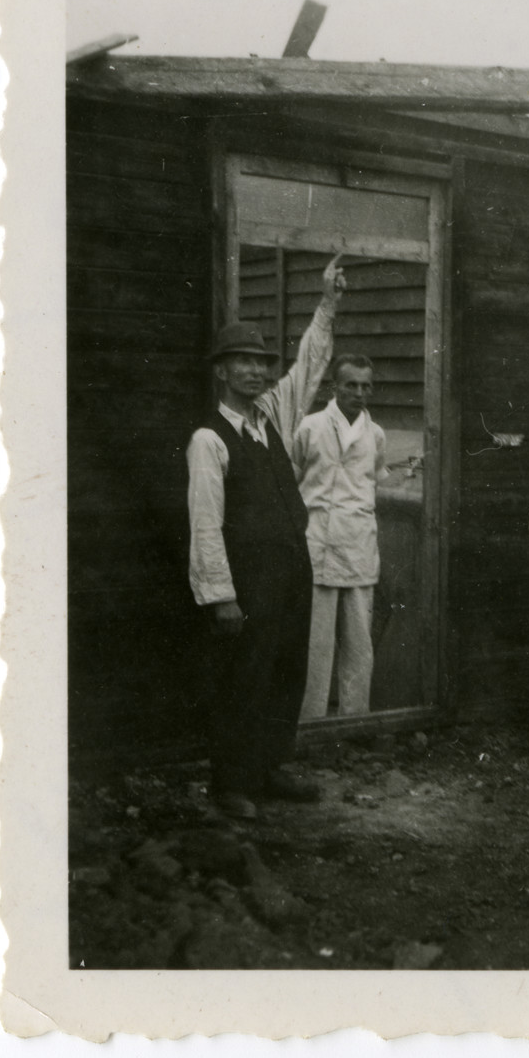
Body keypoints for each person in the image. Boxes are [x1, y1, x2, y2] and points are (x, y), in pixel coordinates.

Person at [187, 256, 346, 820]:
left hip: (290, 567)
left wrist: (327, 304)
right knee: (243, 678)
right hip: (245, 578)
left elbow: (306, 367)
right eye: (243, 364)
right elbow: (205, 524)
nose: (256, 373)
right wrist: (220, 595)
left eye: (260, 363)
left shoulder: (271, 417)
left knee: (285, 669)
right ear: (222, 372)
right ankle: (232, 782)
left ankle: (271, 767)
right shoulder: (210, 440)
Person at [293, 355, 389, 721]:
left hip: (359, 546)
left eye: (366, 386)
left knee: (359, 644)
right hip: (317, 543)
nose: (360, 393)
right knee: (316, 646)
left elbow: (373, 480)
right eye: (352, 384)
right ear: (335, 386)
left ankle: (354, 722)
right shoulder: (310, 428)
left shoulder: (375, 434)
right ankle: (311, 724)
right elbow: (293, 479)